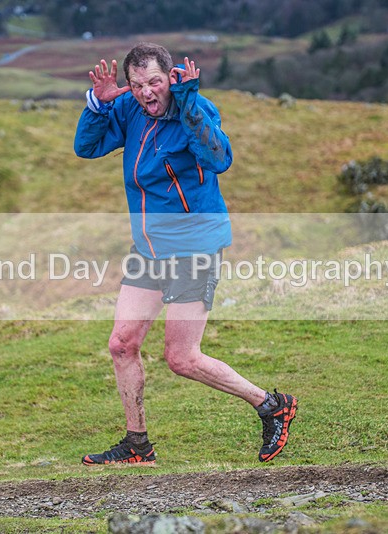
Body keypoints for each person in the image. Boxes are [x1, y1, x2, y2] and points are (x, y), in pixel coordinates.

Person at [73, 42, 296, 465]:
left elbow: (219, 159)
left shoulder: (193, 107)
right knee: (122, 344)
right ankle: (138, 445)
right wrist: (99, 106)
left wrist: (189, 102)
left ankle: (271, 405)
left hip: (195, 247)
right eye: (136, 85)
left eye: (154, 82)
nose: (145, 93)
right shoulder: (130, 110)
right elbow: (88, 147)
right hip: (149, 249)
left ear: (171, 77)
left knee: (181, 358)